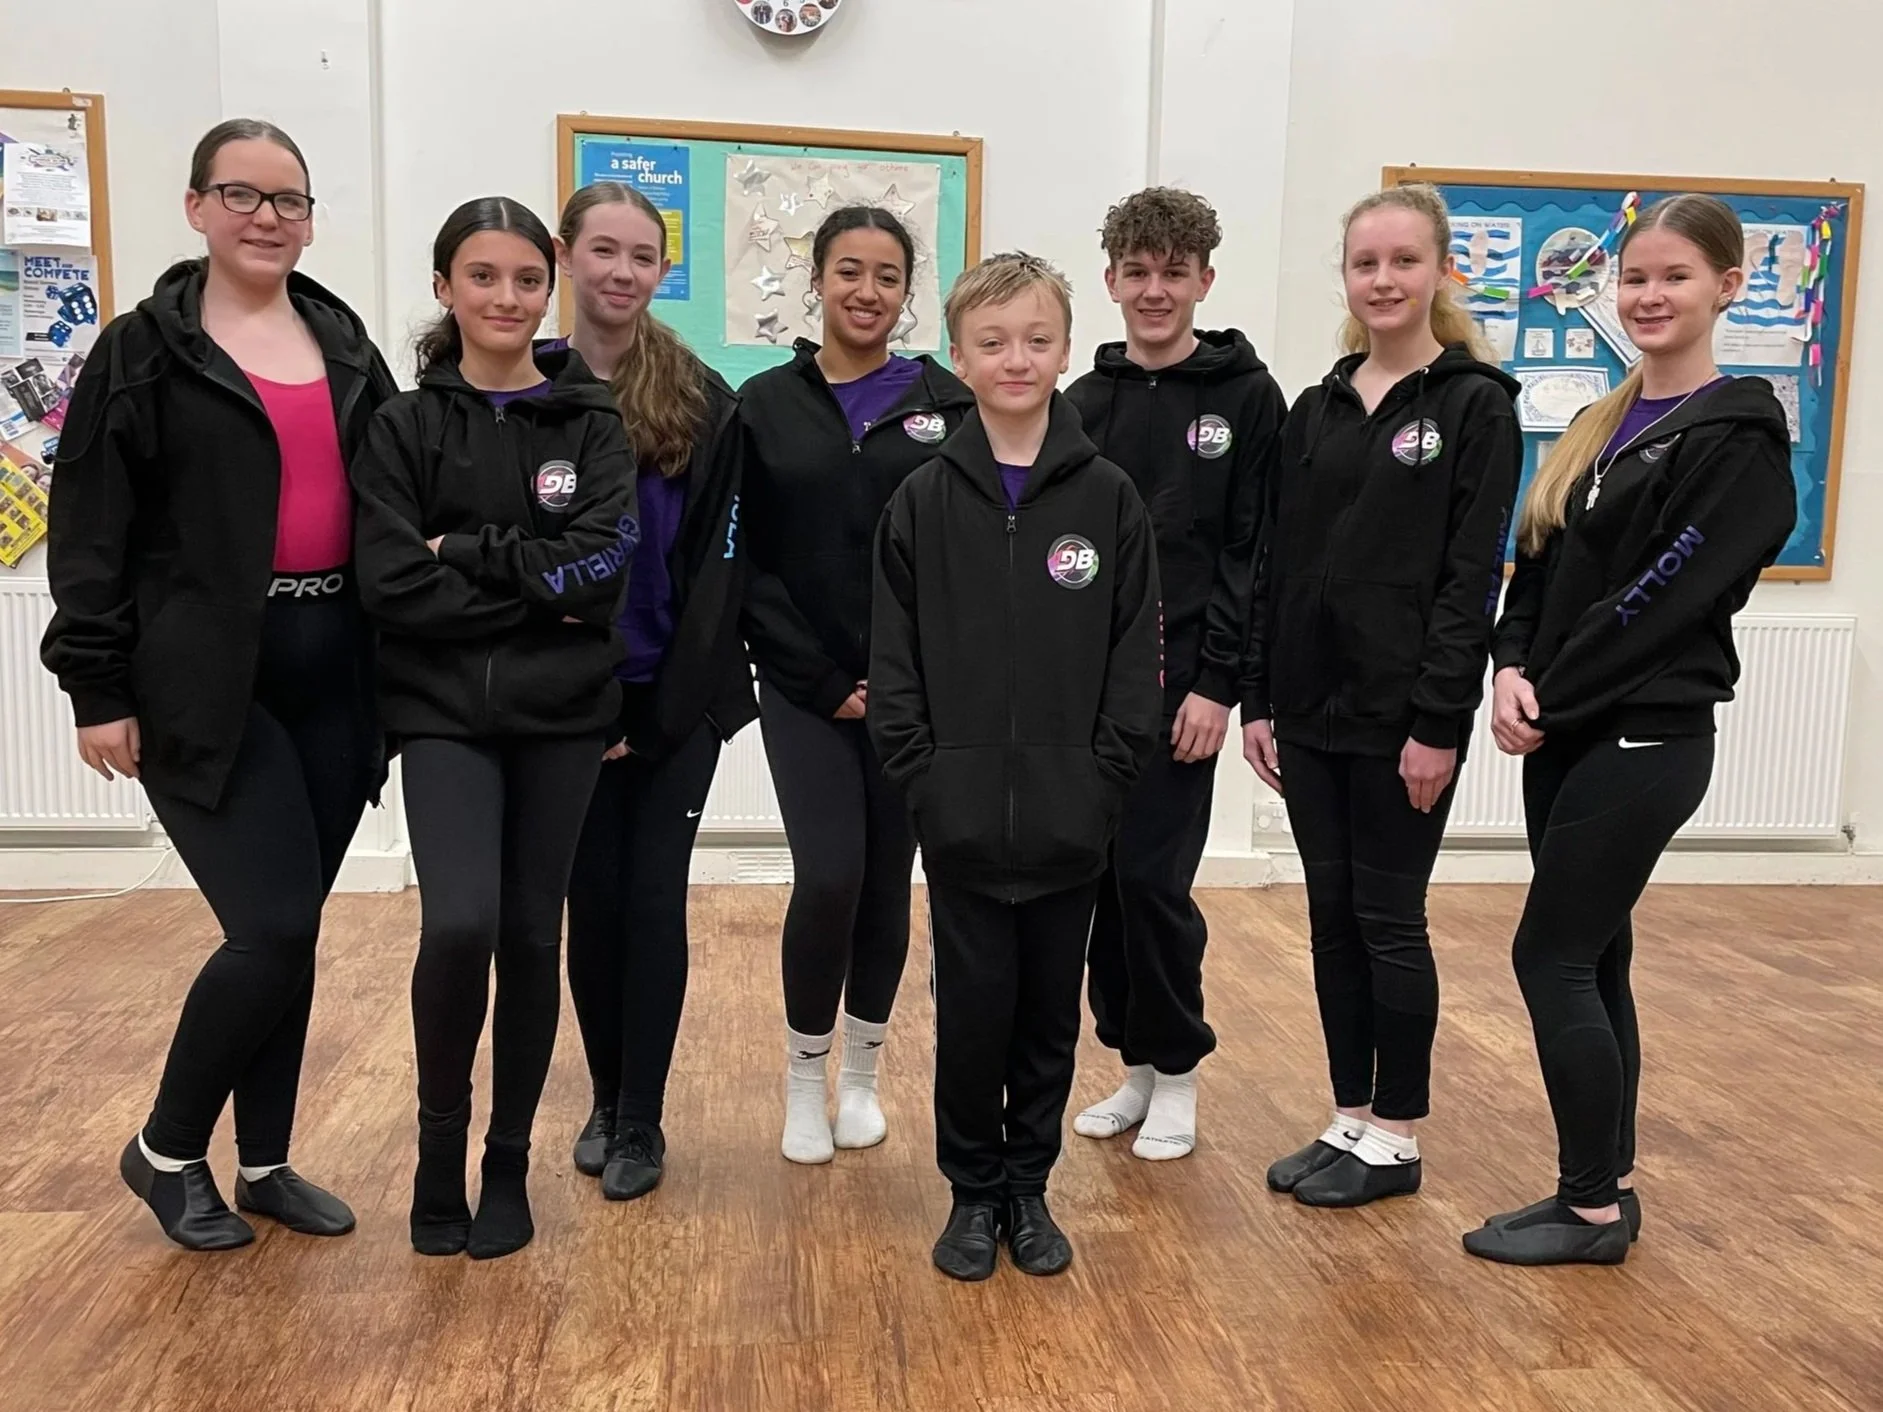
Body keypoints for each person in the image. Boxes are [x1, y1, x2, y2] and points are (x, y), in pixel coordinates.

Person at [41, 119, 397, 1252]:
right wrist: (98, 686)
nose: (266, 218)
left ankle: (269, 1160)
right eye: (241, 195)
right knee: (273, 924)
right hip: (205, 686)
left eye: (288, 201)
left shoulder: (342, 341)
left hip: (334, 674)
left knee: (291, 933)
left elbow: (394, 492)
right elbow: (90, 531)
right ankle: (164, 1147)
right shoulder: (143, 350)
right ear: (195, 207)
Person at [1466, 195, 1796, 1267]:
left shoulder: (1737, 436)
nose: (1647, 297)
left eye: (1673, 278)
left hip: (1644, 735)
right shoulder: (1599, 427)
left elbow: (1662, 599)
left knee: (1547, 954)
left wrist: (1549, 689)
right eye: (1633, 279)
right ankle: (1604, 1179)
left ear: (1725, 287)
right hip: (1560, 726)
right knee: (1595, 953)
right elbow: (1537, 566)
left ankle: (1588, 1208)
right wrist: (1508, 666)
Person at [351, 196, 638, 1259]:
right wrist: (533, 580)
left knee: (529, 935)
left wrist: (464, 553)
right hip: (441, 717)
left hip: (563, 716)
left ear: (546, 286)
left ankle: (505, 1161)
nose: (507, 298)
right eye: (483, 277)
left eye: (526, 279)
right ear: (444, 289)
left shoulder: (591, 420)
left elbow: (604, 568)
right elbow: (385, 581)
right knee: (460, 922)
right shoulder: (403, 425)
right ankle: (436, 1160)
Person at [870, 253, 1163, 1280]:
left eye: (1036, 339)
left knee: (1046, 1014)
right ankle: (969, 1189)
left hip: (1069, 819)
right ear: (956, 354)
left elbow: (1135, 656)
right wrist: (923, 774)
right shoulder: (919, 499)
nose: (1015, 358)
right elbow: (892, 659)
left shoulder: (1110, 496)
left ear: (1064, 348)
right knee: (973, 1013)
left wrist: (1104, 774)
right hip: (955, 820)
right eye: (991, 341)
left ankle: (1027, 1188)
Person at [1244, 184, 1521, 1209]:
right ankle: (1349, 1112)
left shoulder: (1473, 406)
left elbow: (1467, 575)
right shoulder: (1315, 406)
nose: (1384, 280)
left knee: (1387, 915)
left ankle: (1397, 1132)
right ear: (1346, 278)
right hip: (1307, 710)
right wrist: (1259, 700)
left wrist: (1436, 721)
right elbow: (1276, 558)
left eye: (1404, 261)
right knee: (1329, 916)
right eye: (1366, 264)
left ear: (1440, 271)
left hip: (1401, 715)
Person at [739, 205, 975, 1164]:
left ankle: (865, 1080)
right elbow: (744, 562)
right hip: (803, 691)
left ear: (905, 291)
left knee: (886, 886)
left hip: (913, 700)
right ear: (818, 280)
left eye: (885, 275)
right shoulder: (762, 405)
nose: (865, 292)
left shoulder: (948, 403)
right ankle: (804, 1080)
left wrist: (902, 679)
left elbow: (963, 561)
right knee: (829, 875)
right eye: (847, 271)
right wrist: (824, 676)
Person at [1066, 187, 1286, 1160]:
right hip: (1086, 695)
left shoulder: (1247, 399)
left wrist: (1217, 685)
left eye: (1173, 272)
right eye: (1137, 272)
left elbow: (1252, 551)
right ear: (1110, 279)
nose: (1154, 290)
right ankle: (1134, 1065)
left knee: (1154, 881)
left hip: (1183, 690)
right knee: (1102, 887)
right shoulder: (1081, 403)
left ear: (1204, 277)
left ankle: (1180, 1067)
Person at [554, 182, 755, 1201]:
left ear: (659, 272)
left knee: (649, 899)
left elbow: (719, 570)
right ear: (566, 255)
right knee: (589, 905)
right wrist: (582, 705)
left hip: (673, 703)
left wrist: (656, 712)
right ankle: (601, 1094)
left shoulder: (701, 397)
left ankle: (643, 1117)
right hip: (563, 710)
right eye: (603, 250)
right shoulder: (527, 388)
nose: (622, 272)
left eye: (641, 256)